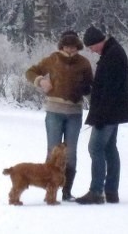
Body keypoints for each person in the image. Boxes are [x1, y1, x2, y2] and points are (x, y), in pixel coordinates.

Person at [25, 30, 93, 201]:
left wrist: (88, 92)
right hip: (54, 111)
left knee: (71, 153)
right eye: (67, 46)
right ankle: (50, 189)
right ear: (62, 46)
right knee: (53, 150)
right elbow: (30, 71)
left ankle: (67, 191)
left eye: (73, 47)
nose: (70, 50)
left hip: (74, 113)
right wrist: (41, 81)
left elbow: (90, 87)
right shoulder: (52, 59)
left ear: (78, 47)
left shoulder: (84, 63)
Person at [75, 26, 128, 205]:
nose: (91, 51)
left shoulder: (112, 55)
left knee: (95, 148)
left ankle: (97, 191)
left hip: (108, 113)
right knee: (109, 149)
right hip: (114, 112)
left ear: (99, 41)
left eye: (91, 47)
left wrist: (100, 116)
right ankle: (111, 191)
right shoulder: (112, 52)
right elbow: (106, 85)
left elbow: (110, 89)